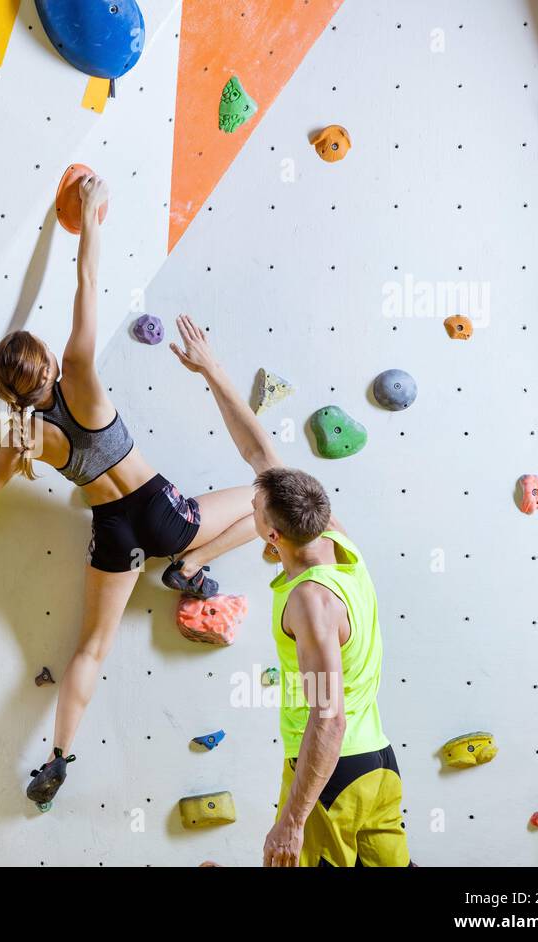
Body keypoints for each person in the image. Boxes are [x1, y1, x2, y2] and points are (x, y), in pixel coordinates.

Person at [0, 174, 259, 808]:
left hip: (113, 533)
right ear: (45, 358)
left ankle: (58, 762)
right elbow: (87, 284)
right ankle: (193, 565)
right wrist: (92, 216)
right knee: (268, 495)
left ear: (10, 391)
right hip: (162, 510)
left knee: (90, 648)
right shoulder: (82, 373)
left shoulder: (24, 438)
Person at [169, 317, 409, 867]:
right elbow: (260, 455)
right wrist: (212, 370)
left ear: (272, 537)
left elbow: (328, 717)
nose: (249, 509)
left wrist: (291, 822)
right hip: (377, 766)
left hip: (330, 776)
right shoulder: (337, 542)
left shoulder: (309, 600)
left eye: (253, 513)